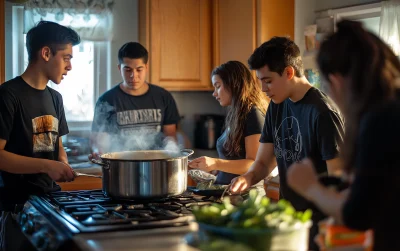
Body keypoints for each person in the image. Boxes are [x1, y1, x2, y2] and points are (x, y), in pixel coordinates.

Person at [287, 20, 400, 251]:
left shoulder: (380, 119)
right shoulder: (391, 106)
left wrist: (310, 186)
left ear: (336, 81)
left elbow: (358, 214)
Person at [229, 37, 345, 250]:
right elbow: (264, 162)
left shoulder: (323, 113)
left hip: (317, 228)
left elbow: (339, 183)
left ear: (289, 73)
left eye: (268, 80)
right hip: (287, 220)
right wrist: (247, 177)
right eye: (261, 81)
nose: (263, 89)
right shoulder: (277, 104)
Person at [0, 21, 80, 250]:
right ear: (46, 53)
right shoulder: (8, 95)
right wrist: (47, 166)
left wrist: (62, 163)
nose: (70, 66)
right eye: (66, 58)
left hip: (50, 205)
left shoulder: (56, 98)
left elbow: (58, 144)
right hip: (17, 210)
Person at [188, 61, 269, 193]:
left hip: (246, 197)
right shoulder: (237, 114)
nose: (214, 93)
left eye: (218, 86)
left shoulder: (253, 114)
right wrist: (212, 169)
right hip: (229, 193)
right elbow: (233, 160)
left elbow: (254, 163)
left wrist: (215, 163)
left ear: (233, 84)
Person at [90, 42, 180, 154]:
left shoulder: (163, 97)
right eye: (128, 70)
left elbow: (170, 137)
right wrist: (98, 151)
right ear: (119, 68)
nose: (133, 75)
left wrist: (172, 152)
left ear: (146, 68)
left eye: (139, 69)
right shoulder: (106, 100)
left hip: (157, 164)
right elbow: (99, 141)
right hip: (121, 164)